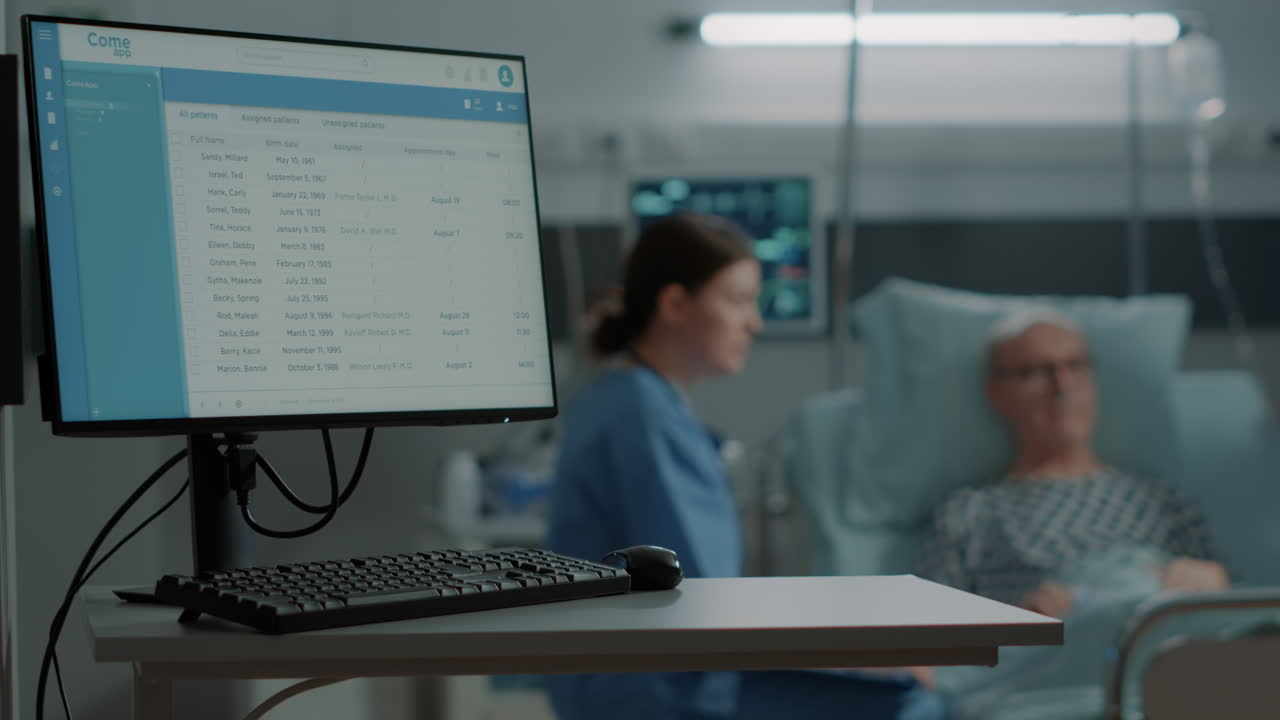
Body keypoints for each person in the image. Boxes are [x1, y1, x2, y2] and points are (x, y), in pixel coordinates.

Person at [545, 213, 946, 720]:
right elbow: (701, 603)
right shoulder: (643, 416)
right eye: (737, 300)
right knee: (910, 704)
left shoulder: (632, 398)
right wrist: (865, 657)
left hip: (644, 669)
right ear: (674, 305)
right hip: (652, 687)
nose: (754, 322)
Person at [920, 309, 1229, 620]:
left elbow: (1241, 618)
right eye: (1036, 371)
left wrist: (1214, 581)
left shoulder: (1161, 501)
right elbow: (928, 640)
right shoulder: (971, 513)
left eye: (1076, 366)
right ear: (997, 393)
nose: (1063, 385)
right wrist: (1019, 621)